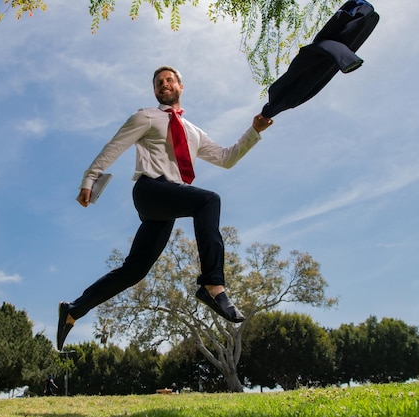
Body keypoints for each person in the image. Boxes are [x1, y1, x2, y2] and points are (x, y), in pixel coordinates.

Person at [57, 66, 273, 351]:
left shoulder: (193, 132)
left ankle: (73, 310)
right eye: (159, 82)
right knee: (208, 201)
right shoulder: (146, 116)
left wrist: (253, 132)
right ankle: (213, 285)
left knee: (134, 271)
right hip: (149, 190)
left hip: (167, 205)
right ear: (155, 90)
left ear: (180, 87)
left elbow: (225, 158)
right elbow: (114, 147)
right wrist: (89, 178)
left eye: (169, 80)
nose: (164, 84)